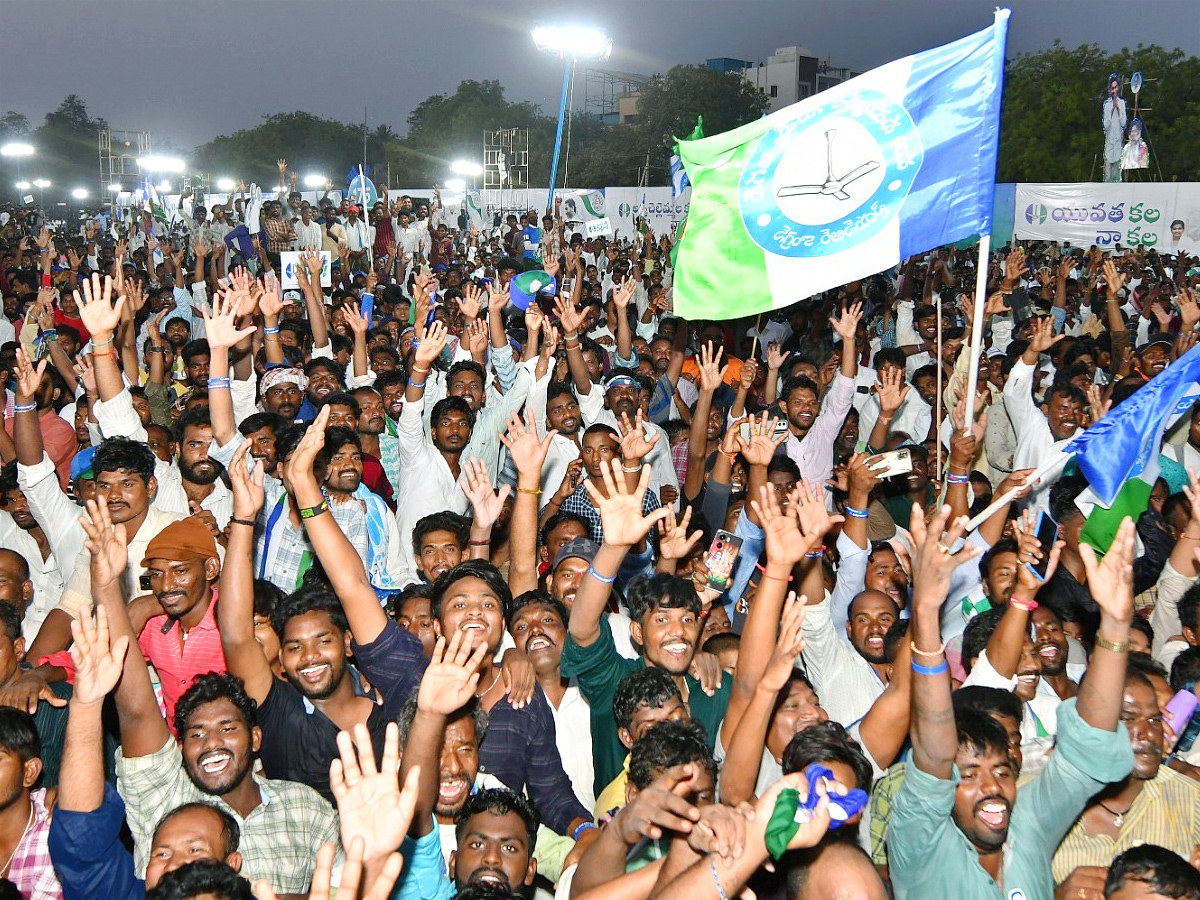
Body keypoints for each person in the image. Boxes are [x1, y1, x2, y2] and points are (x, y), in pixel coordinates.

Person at [1104, 73, 1128, 183]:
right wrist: (1112, 110)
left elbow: (1124, 124)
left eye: (1116, 87)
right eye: (1112, 88)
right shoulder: (1107, 104)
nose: (1114, 90)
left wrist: (1118, 110)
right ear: (1110, 89)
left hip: (1118, 144)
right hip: (1109, 144)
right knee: (1108, 176)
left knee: (1117, 177)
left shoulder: (1122, 103)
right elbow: (1105, 125)